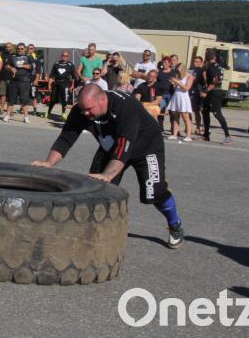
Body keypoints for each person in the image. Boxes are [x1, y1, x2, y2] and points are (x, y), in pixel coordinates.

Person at [31, 85, 185, 249]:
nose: (85, 114)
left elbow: (125, 145)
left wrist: (108, 174)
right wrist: (48, 162)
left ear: (102, 99)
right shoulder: (82, 110)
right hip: (112, 146)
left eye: (89, 109)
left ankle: (175, 224)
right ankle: (92, 230)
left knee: (155, 192)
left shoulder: (125, 106)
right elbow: (66, 138)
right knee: (97, 189)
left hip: (145, 146)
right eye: (83, 109)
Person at [201, 51, 232, 144]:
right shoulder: (217, 66)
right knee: (205, 111)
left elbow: (216, 82)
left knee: (217, 113)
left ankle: (227, 136)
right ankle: (206, 134)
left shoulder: (212, 67)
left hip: (214, 92)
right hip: (213, 91)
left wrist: (206, 91)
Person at [4, 43, 34, 123]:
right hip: (14, 81)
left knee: (24, 100)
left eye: (21, 49)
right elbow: (6, 66)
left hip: (25, 81)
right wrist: (11, 68)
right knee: (11, 99)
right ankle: (7, 115)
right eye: (18, 49)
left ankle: (26, 117)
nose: (20, 50)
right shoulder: (13, 56)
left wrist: (24, 66)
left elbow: (33, 66)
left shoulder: (28, 57)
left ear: (24, 49)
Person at [47, 50, 78, 120]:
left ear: (68, 57)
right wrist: (49, 84)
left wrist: (73, 85)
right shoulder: (56, 64)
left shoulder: (70, 65)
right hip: (56, 83)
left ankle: (63, 113)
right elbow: (51, 75)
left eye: (66, 56)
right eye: (63, 56)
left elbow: (74, 77)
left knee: (65, 99)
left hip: (66, 84)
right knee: (53, 99)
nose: (65, 57)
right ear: (61, 56)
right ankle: (48, 112)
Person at [166, 63, 194, 142]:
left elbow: (186, 88)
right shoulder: (178, 77)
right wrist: (173, 83)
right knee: (176, 116)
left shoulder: (189, 76)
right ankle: (175, 134)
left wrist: (177, 82)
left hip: (183, 97)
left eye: (178, 71)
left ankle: (188, 136)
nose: (177, 73)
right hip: (177, 96)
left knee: (185, 117)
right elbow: (177, 88)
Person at [155, 56, 176, 133]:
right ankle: (160, 127)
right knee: (161, 110)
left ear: (170, 63)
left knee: (171, 112)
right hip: (161, 94)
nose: (164, 64)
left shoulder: (173, 72)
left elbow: (176, 81)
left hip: (170, 94)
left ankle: (173, 128)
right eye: (163, 62)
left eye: (166, 62)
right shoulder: (159, 71)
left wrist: (174, 84)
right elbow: (155, 80)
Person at [0, 42, 15, 115]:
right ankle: (1, 109)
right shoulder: (2, 55)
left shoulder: (15, 55)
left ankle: (10, 111)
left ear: (12, 47)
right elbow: (0, 65)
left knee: (11, 95)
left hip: (12, 78)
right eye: (7, 47)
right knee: (2, 94)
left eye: (9, 47)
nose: (8, 48)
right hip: (3, 77)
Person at [189, 56, 205, 136]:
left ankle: (198, 127)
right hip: (191, 91)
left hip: (198, 92)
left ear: (201, 62)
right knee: (188, 110)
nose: (195, 62)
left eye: (197, 61)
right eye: (194, 61)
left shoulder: (202, 71)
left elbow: (205, 82)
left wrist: (203, 91)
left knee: (196, 111)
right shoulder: (192, 70)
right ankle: (188, 127)